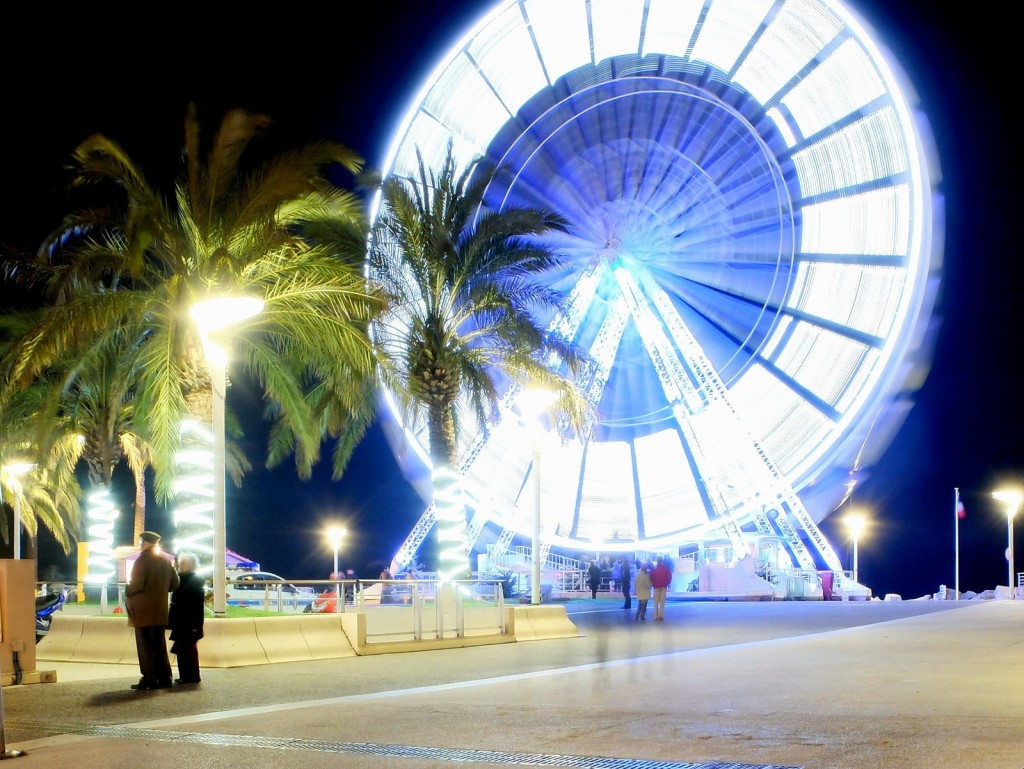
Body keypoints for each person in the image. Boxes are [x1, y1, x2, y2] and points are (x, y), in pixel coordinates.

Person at [125, 531, 179, 690]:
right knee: (159, 644)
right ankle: (165, 677)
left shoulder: (142, 561)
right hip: (160, 610)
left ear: (145, 543)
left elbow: (137, 585)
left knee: (146, 647)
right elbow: (175, 583)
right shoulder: (164, 561)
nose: (140, 545)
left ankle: (150, 678)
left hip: (143, 612)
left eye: (141, 542)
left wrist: (128, 590)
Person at [168, 551, 205, 685]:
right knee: (182, 648)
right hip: (182, 619)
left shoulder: (192, 582)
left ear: (190, 565)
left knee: (187, 648)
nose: (180, 565)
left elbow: (196, 605)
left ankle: (192, 675)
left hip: (188, 620)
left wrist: (196, 625)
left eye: (183, 563)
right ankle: (185, 675)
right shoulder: (182, 579)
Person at [650, 555, 672, 621]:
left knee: (655, 602)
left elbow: (651, 577)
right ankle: (661, 616)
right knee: (662, 603)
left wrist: (653, 584)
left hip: (656, 587)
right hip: (663, 587)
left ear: (657, 561)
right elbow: (669, 577)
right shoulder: (666, 568)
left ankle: (655, 616)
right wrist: (667, 583)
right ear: (662, 561)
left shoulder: (654, 569)